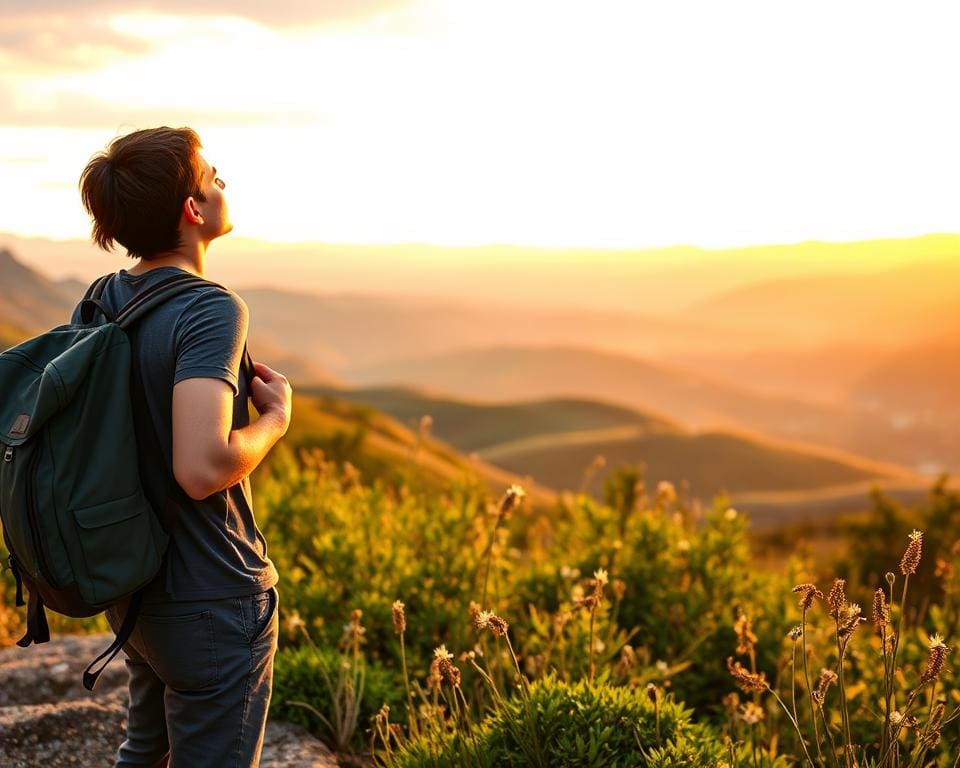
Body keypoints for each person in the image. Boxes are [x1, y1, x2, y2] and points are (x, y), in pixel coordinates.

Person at [75, 126, 293, 767]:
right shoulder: (211, 310)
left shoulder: (102, 299)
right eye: (210, 175)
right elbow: (200, 467)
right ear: (192, 210)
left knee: (145, 751)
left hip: (134, 588)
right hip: (210, 594)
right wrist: (275, 419)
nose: (223, 181)